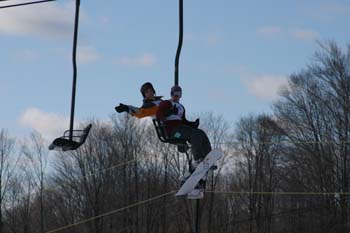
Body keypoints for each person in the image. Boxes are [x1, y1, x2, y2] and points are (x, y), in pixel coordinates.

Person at [156, 85, 213, 198]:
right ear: (171, 94)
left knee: (201, 133)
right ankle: (197, 159)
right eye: (174, 94)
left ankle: (208, 157)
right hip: (173, 131)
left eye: (179, 94)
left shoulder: (181, 107)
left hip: (181, 129)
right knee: (194, 134)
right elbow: (159, 114)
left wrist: (192, 124)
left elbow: (184, 121)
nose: (177, 96)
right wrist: (166, 114)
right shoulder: (166, 103)